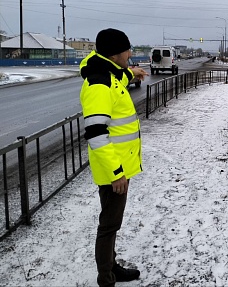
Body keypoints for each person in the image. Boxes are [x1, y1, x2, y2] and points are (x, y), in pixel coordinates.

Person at [79, 28, 148, 286]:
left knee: (113, 223)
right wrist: (116, 173)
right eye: (128, 50)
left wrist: (133, 73)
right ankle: (106, 278)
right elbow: (96, 134)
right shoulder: (99, 83)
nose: (131, 54)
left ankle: (111, 267)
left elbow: (118, 78)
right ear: (115, 53)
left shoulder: (110, 74)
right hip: (113, 169)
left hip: (118, 166)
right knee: (108, 226)